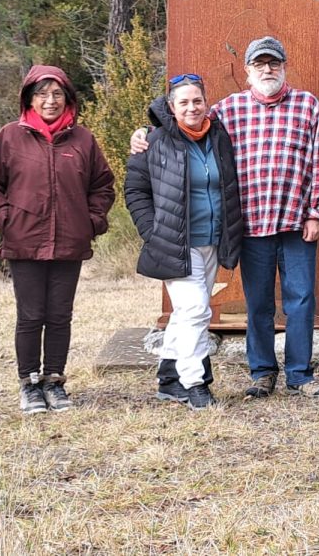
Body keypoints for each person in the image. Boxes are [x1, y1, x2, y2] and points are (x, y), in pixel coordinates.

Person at [131, 37, 319, 398]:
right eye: (259, 65)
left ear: (284, 66)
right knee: (258, 302)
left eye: (273, 63)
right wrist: (145, 133)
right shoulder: (226, 110)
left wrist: (315, 212)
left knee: (301, 299)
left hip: (297, 222)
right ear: (248, 70)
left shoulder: (307, 105)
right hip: (251, 224)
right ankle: (262, 372)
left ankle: (300, 374)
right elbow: (183, 123)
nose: (267, 70)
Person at [0, 66, 115, 414]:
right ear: (29, 99)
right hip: (24, 240)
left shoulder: (83, 139)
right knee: (30, 315)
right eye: (42, 94)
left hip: (70, 241)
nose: (50, 101)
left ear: (68, 98)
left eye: (57, 94)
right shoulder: (10, 136)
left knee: (60, 315)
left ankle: (54, 381)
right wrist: (5, 219)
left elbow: (102, 186)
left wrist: (91, 222)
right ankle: (29, 384)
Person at [124, 74, 243, 410]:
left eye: (197, 101)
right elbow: (134, 190)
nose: (192, 107)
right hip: (175, 241)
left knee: (186, 313)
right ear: (171, 107)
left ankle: (168, 378)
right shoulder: (154, 140)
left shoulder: (218, 137)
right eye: (184, 102)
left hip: (211, 240)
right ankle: (195, 383)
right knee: (194, 310)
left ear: (206, 103)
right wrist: (153, 230)